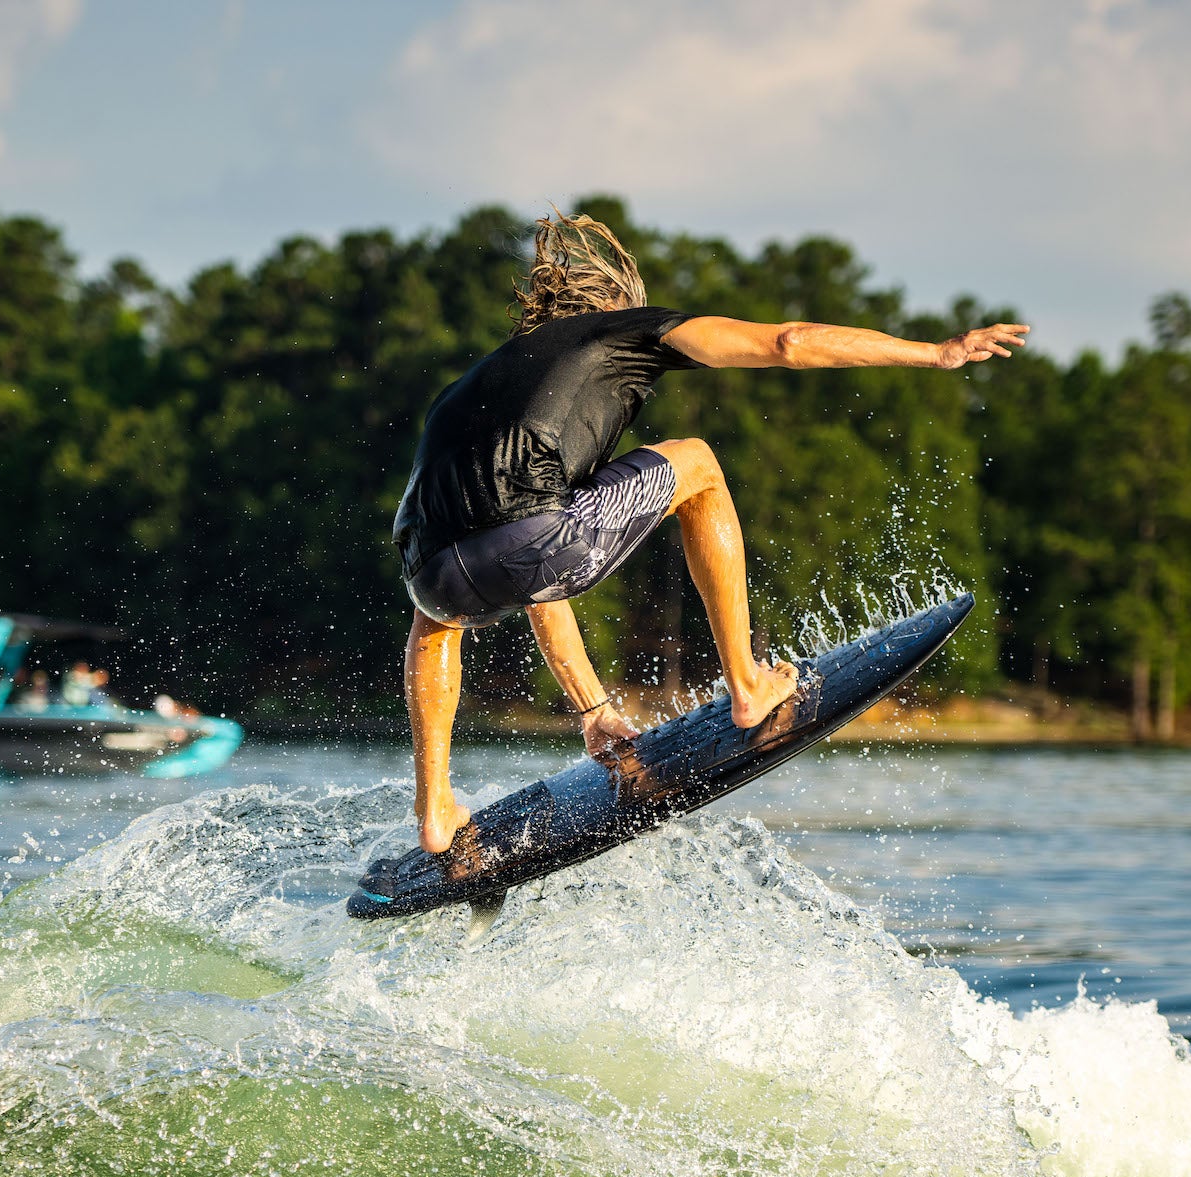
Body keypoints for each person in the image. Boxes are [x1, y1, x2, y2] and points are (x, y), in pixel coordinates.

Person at [395, 213, 1027, 854]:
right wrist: (934, 353)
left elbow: (522, 560)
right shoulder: (621, 329)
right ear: (618, 307)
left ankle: (435, 812)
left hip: (431, 575)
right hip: (537, 542)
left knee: (439, 621)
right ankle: (747, 684)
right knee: (696, 462)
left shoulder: (473, 390)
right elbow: (787, 341)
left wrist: (592, 711)